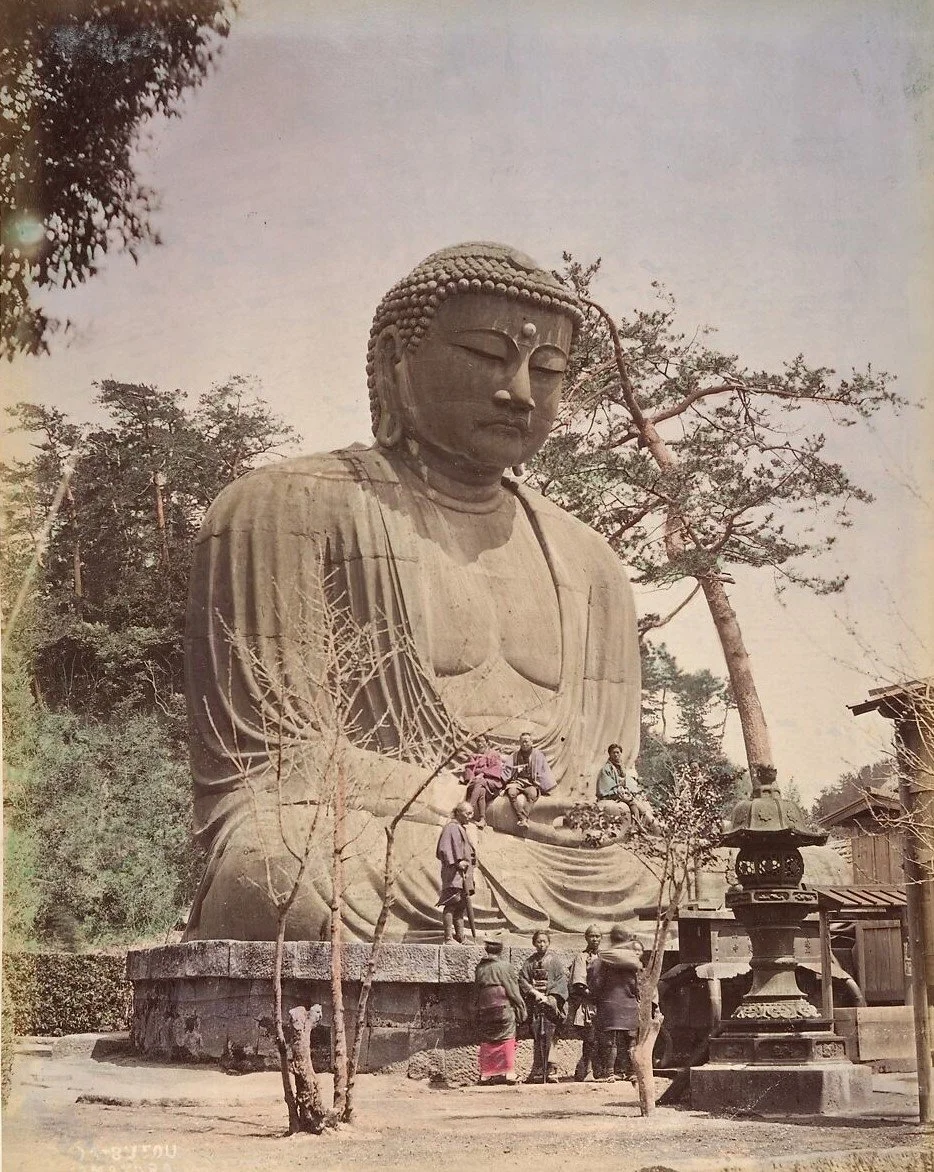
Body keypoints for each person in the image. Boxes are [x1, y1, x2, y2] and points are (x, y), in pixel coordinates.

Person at [183, 241, 647, 942]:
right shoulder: (281, 506)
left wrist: (590, 818)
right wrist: (474, 806)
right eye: (487, 355)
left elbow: (600, 776)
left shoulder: (592, 563)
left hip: (557, 860)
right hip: (376, 838)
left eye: (546, 370)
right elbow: (274, 765)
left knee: (682, 873)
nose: (519, 391)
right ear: (396, 360)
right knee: (279, 866)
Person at [588, 924, 643, 1081]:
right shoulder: (633, 961)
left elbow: (595, 984)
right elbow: (638, 985)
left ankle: (610, 1073)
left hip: (609, 1005)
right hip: (630, 1004)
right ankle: (633, 1072)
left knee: (610, 1041)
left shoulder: (601, 960)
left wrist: (595, 998)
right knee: (632, 1040)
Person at [473, 937, 526, 1085]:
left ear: (486, 949)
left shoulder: (480, 968)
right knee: (507, 1037)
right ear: (501, 949)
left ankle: (485, 1074)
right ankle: (509, 1073)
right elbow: (512, 989)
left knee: (487, 1039)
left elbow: (476, 990)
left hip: (484, 1007)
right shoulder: (505, 966)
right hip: (502, 1007)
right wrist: (521, 1007)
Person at [518, 929, 568, 1083]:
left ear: (549, 943)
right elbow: (522, 979)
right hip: (536, 1003)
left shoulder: (555, 961)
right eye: (538, 941)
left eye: (544, 941)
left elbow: (561, 981)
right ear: (534, 943)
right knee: (538, 1036)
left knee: (551, 1036)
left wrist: (550, 998)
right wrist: (534, 993)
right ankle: (539, 1069)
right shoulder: (530, 962)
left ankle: (552, 1070)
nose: (541, 944)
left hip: (551, 1006)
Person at [596, 744, 660, 834]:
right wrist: (619, 790)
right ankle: (634, 826)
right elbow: (607, 785)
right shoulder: (606, 768)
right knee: (632, 803)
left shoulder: (620, 767)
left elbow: (624, 783)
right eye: (613, 753)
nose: (616, 755)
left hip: (619, 792)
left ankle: (647, 825)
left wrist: (625, 790)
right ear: (609, 754)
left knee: (638, 802)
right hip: (608, 793)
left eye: (618, 752)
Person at [436, 801, 476, 943]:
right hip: (454, 873)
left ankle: (460, 936)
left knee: (461, 906)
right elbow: (445, 849)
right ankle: (448, 937)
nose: (470, 816)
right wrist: (458, 862)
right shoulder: (451, 827)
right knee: (452, 903)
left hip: (463, 874)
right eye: (467, 813)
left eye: (472, 813)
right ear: (458, 812)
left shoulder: (460, 828)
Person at [567, 924, 602, 1081]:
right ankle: (586, 1070)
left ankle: (598, 1069)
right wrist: (591, 995)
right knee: (590, 1038)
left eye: (598, 936)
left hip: (602, 1002)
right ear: (586, 938)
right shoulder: (581, 957)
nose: (595, 939)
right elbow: (579, 983)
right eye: (592, 936)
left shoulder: (604, 957)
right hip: (588, 1002)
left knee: (601, 1039)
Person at [504, 733, 556, 831]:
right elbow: (508, 768)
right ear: (519, 742)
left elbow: (543, 771)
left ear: (531, 742)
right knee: (511, 793)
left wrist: (544, 785)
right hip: (518, 781)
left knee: (532, 794)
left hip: (531, 782)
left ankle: (522, 818)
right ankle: (522, 818)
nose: (524, 744)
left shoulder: (538, 755)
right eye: (522, 741)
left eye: (527, 741)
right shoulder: (515, 755)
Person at [461, 733, 509, 829]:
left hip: (492, 783)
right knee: (481, 789)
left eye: (482, 741)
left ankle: (469, 809)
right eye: (478, 741)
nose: (480, 744)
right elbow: (469, 770)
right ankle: (483, 819)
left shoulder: (493, 754)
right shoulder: (473, 755)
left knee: (480, 782)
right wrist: (472, 778)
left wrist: (483, 773)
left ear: (487, 742)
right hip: (478, 784)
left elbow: (496, 769)